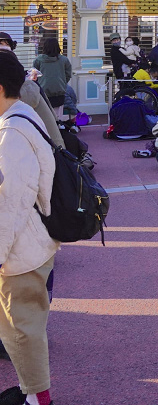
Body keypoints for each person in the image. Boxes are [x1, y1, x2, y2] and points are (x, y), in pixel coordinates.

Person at [0, 51, 58, 405]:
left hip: (21, 249)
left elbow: (9, 205)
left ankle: (38, 399)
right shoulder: (23, 116)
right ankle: (34, 394)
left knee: (21, 330)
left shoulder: (12, 134)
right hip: (33, 240)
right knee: (25, 327)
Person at [0, 34, 63, 150]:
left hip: (48, 155)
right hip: (55, 150)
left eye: (5, 44)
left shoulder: (13, 113)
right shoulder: (28, 89)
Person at [32, 38, 72, 120]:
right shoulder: (64, 60)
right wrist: (62, 83)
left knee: (44, 118)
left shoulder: (38, 60)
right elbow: (68, 75)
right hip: (59, 91)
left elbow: (34, 76)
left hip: (43, 92)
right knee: (57, 117)